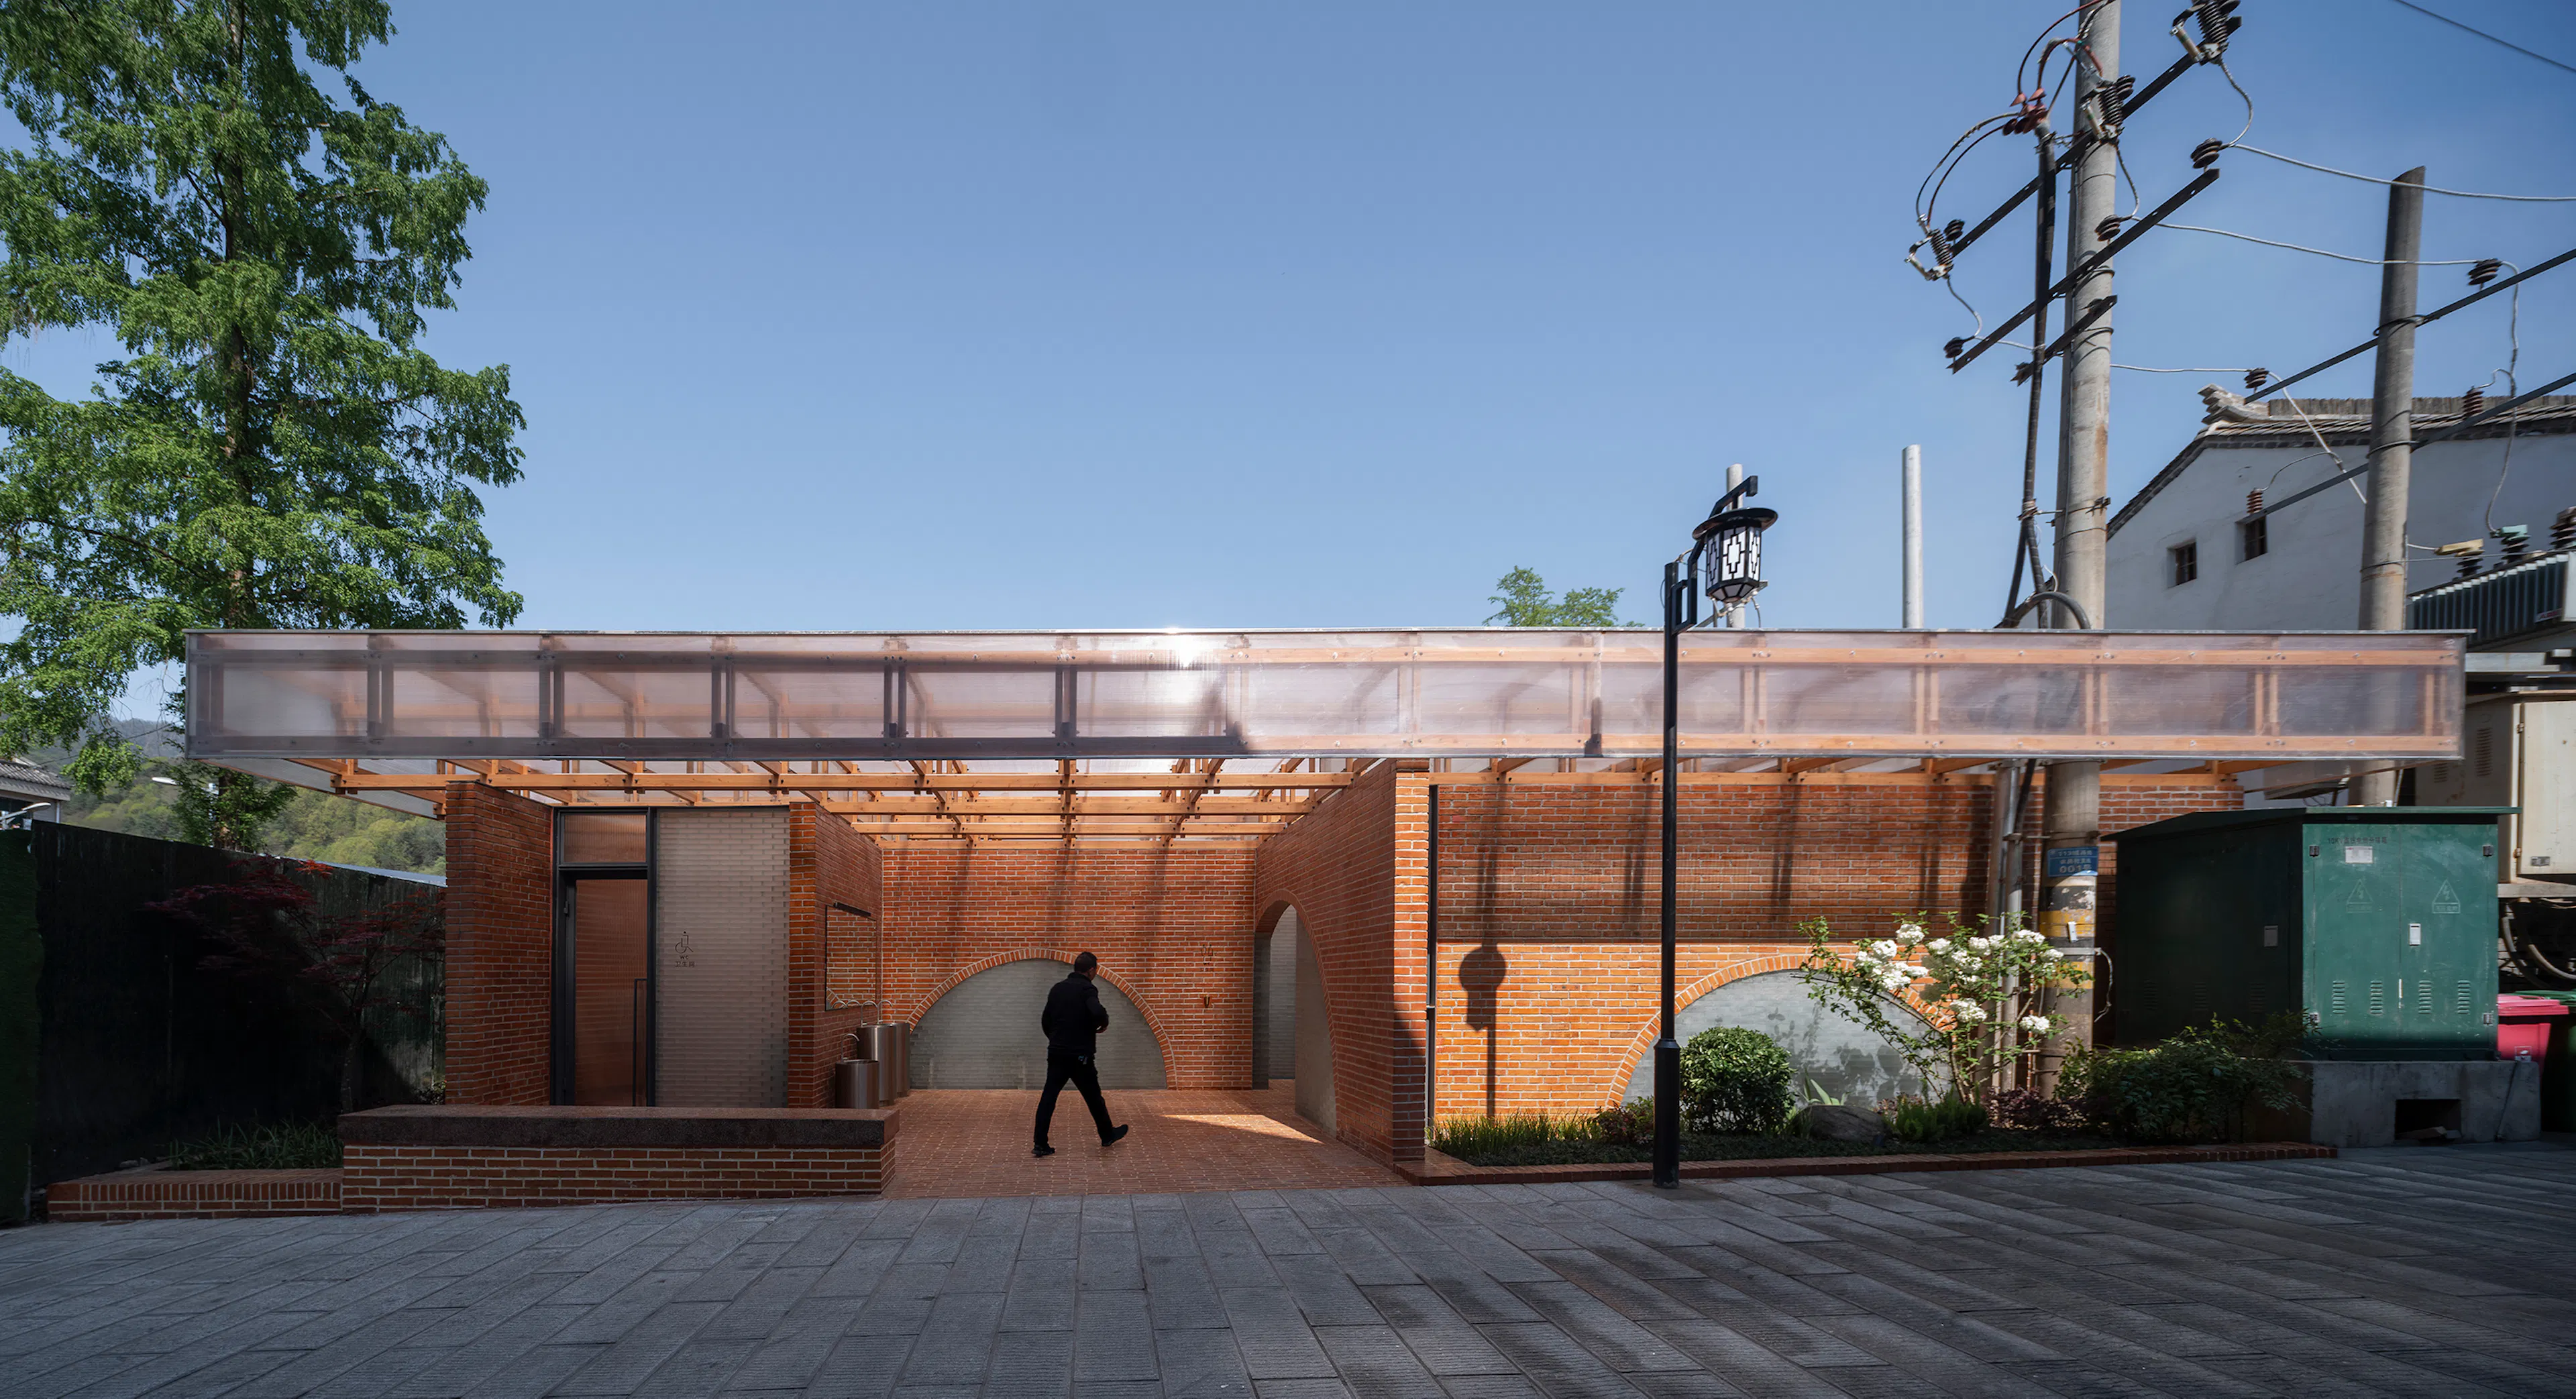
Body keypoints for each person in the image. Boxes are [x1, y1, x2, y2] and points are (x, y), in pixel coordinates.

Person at [1034, 951, 1129, 1157]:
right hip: (1080, 1055)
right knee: (1094, 1097)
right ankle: (1107, 1134)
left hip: (1058, 1052)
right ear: (1092, 970)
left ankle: (1040, 1144)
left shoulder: (1057, 989)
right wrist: (1103, 1024)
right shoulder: (1088, 988)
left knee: (1049, 1097)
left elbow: (1045, 1020)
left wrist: (1056, 1040)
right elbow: (1097, 1012)